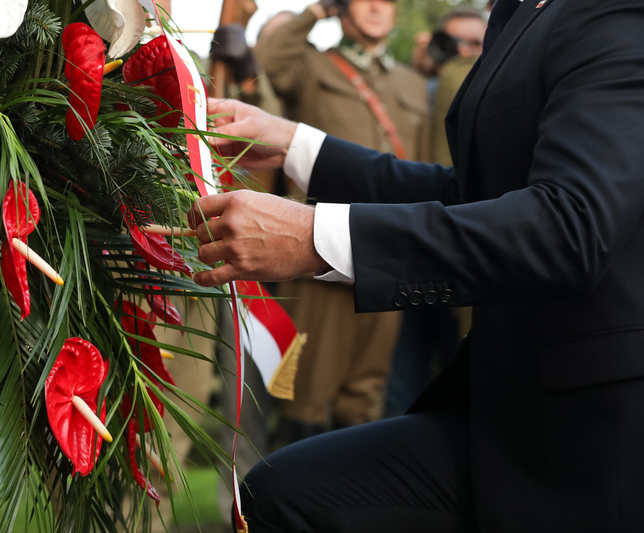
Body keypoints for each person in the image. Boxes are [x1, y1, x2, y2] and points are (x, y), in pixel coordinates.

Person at [187, 0, 644, 530]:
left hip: (596, 436)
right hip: (507, 405)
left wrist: (316, 238)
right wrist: (298, 146)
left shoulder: (617, 12)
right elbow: (469, 194)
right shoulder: (517, 15)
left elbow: (570, 228)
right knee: (284, 493)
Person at [254, 0, 429, 440]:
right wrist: (316, 12)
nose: (376, 6)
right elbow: (266, 64)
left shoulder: (410, 82)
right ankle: (288, 503)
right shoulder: (313, 66)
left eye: (387, 1)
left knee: (366, 393)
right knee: (305, 396)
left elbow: (425, 167)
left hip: (389, 255)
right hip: (317, 252)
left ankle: (353, 505)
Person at [383, 8, 487, 419]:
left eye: (475, 45)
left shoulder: (484, 88)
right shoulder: (405, 85)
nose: (462, 54)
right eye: (452, 43)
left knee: (457, 384)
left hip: (463, 260)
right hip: (403, 260)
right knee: (400, 388)